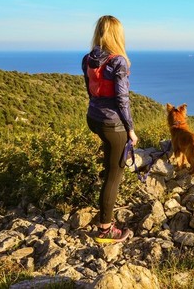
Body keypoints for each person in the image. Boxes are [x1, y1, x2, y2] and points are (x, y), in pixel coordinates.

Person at [82, 15, 138, 243]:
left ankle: (103, 211)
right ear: (118, 34)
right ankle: (106, 229)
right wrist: (131, 130)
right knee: (114, 177)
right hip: (112, 124)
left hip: (94, 118)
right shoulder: (118, 61)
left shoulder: (87, 58)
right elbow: (122, 99)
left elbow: (89, 89)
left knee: (109, 167)